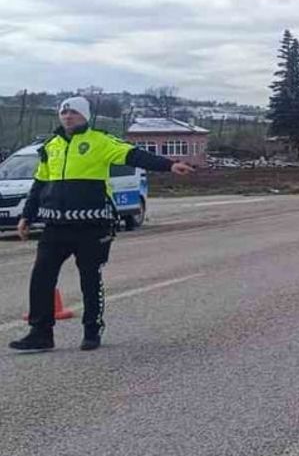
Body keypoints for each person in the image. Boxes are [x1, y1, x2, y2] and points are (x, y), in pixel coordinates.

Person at [8, 97, 194, 353]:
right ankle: (40, 333)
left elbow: (133, 155)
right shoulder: (51, 146)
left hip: (91, 224)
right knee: (41, 276)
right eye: (63, 112)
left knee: (90, 278)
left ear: (84, 115)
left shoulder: (100, 141)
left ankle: (92, 330)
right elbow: (40, 184)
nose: (67, 116)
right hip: (55, 226)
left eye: (73, 112)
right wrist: (27, 216)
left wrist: (169, 164)